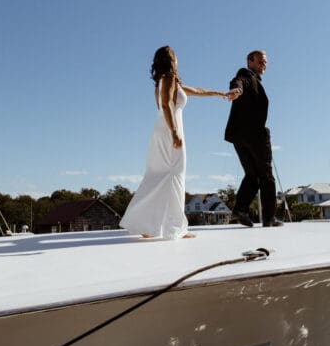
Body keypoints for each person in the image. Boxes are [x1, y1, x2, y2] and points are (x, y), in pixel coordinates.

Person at [121, 46, 237, 241]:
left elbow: (198, 91)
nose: (177, 59)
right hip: (169, 129)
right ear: (171, 60)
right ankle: (175, 227)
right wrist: (174, 132)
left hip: (163, 128)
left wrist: (221, 94)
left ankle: (145, 224)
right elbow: (166, 104)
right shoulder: (168, 78)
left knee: (160, 176)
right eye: (175, 56)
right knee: (174, 175)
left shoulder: (165, 81)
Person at [224, 50, 282, 227]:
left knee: (253, 176)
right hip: (254, 135)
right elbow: (238, 82)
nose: (263, 65)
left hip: (239, 136)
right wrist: (236, 90)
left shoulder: (253, 79)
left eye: (265, 62)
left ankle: (240, 210)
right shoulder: (245, 75)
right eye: (260, 62)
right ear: (249, 61)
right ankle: (269, 218)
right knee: (266, 175)